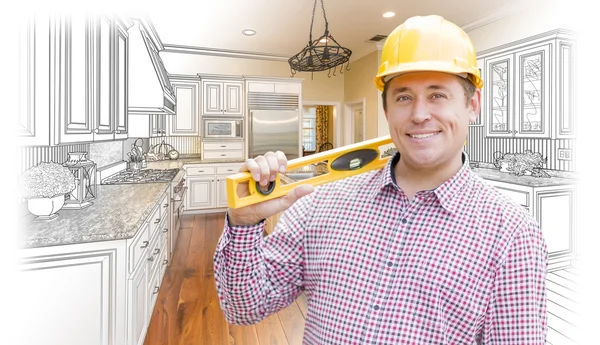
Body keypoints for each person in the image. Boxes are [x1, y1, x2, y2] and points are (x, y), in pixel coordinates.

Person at [214, 14, 547, 344]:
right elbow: (245, 308)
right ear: (387, 110)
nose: (419, 115)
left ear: (472, 104)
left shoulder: (512, 234)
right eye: (403, 97)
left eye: (437, 95)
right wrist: (243, 223)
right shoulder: (320, 203)